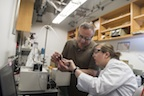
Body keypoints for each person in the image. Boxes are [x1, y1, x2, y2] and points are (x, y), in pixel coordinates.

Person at [53, 43, 138, 96]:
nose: (93, 55)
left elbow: (98, 88)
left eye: (96, 51)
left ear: (106, 54)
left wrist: (75, 70)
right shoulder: (107, 69)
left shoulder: (118, 67)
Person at [51, 22, 99, 96]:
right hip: (64, 86)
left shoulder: (95, 49)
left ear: (92, 37)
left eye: (87, 38)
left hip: (82, 90)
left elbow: (93, 73)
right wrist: (57, 60)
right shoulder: (69, 43)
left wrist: (73, 69)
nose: (82, 40)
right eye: (80, 36)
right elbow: (62, 64)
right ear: (77, 33)